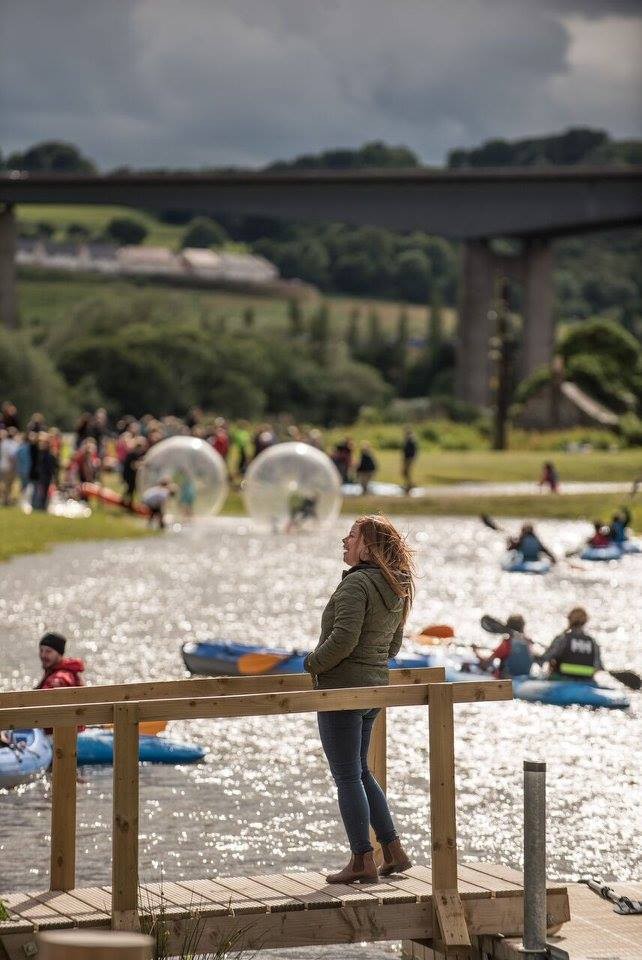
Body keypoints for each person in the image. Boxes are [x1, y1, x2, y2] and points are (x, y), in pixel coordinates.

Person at [304, 515, 415, 884]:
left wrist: (311, 663)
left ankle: (362, 860)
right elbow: (393, 646)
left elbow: (343, 640)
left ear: (367, 546)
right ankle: (394, 851)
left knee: (347, 775)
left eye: (352, 535)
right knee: (361, 771)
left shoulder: (356, 586)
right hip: (373, 691)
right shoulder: (395, 586)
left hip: (341, 691)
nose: (344, 540)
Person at [535, 608, 603, 681]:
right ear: (585, 621)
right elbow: (598, 667)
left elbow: (544, 658)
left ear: (569, 620)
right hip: (587, 682)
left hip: (562, 680)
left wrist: (534, 656)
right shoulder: (592, 642)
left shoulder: (562, 639)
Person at [31, 432, 58, 511]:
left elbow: (53, 466)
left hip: (47, 475)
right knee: (39, 491)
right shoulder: (40, 453)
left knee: (45, 492)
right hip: (41, 475)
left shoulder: (50, 454)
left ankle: (42, 506)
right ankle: (38, 505)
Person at [0, 427, 19, 505]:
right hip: (9, 467)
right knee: (8, 485)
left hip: (3, 466)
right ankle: (6, 500)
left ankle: (6, 499)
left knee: (6, 484)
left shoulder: (4, 442)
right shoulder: (13, 444)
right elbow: (12, 456)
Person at [401, 429, 418, 494]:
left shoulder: (411, 440)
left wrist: (409, 459)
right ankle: (409, 484)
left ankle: (410, 485)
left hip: (409, 458)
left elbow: (412, 451)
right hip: (407, 458)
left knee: (406, 472)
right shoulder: (409, 440)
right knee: (405, 472)